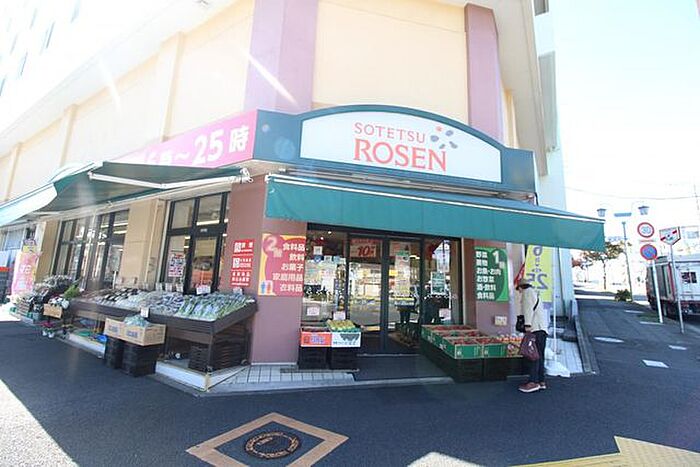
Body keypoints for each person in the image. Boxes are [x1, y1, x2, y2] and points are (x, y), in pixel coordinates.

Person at [516, 278, 549, 393]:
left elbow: (528, 310)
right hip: (542, 329)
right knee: (540, 355)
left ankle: (533, 382)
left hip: (535, 328)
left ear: (521, 287)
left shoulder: (527, 293)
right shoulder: (534, 292)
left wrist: (527, 326)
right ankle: (541, 381)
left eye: (518, 289)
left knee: (533, 356)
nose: (519, 292)